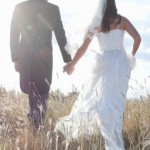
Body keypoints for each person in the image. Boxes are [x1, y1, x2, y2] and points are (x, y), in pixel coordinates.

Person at [54, 0, 141, 149]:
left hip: (103, 63)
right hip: (120, 65)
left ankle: (109, 138)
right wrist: (130, 57)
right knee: (116, 104)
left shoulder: (96, 24)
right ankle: (113, 139)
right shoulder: (123, 20)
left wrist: (72, 64)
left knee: (96, 99)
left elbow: (83, 47)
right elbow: (138, 39)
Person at [10, 0, 72, 130]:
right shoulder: (53, 9)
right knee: (42, 90)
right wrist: (68, 60)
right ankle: (36, 121)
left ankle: (34, 120)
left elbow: (13, 35)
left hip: (26, 56)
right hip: (44, 56)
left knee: (32, 88)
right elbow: (61, 35)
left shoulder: (20, 8)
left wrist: (16, 58)